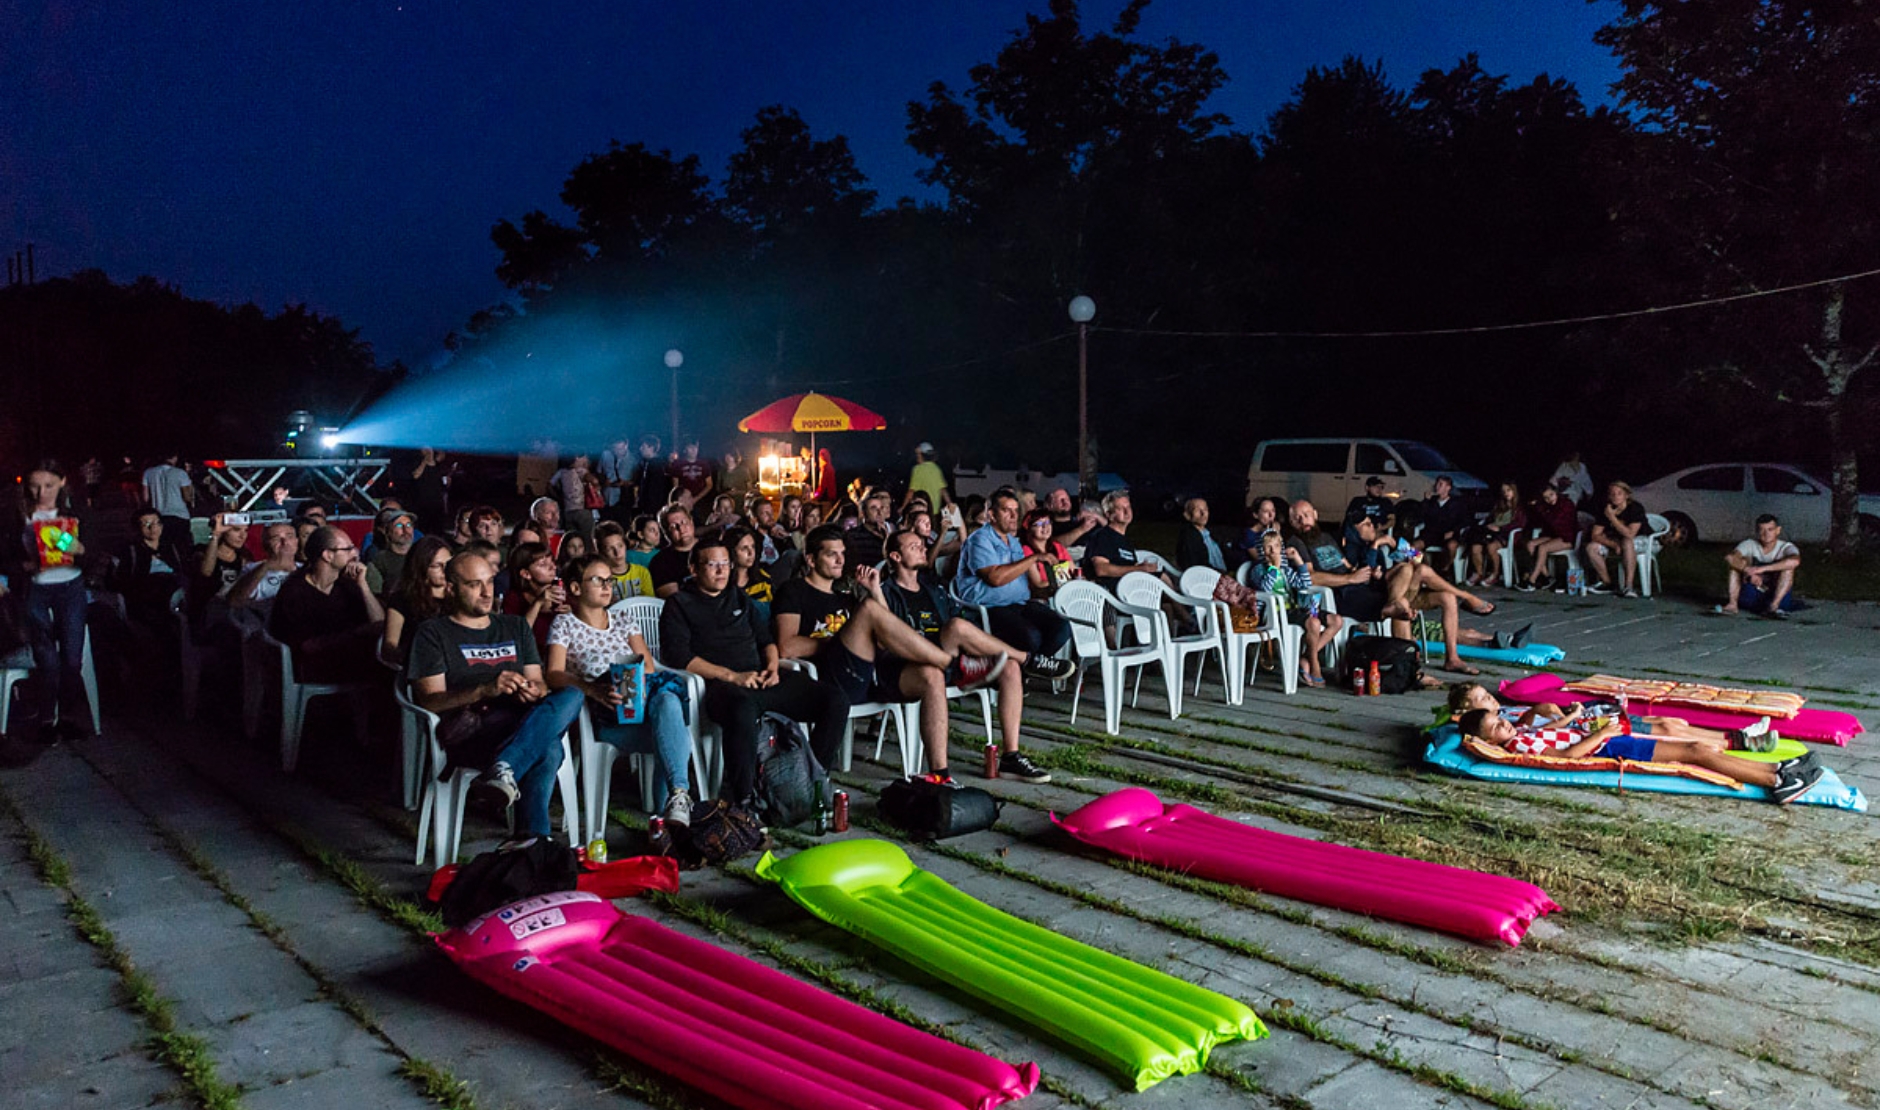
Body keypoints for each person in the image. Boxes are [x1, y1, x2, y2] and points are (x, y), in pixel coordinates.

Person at [776, 526, 1008, 783]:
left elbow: (884, 635)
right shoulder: (793, 591)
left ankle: (940, 775)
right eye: (832, 554)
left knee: (931, 675)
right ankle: (953, 664)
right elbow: (787, 647)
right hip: (826, 680)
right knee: (868, 610)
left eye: (842, 553)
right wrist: (839, 641)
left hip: (867, 675)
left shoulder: (844, 596)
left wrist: (875, 590)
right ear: (811, 559)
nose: (841, 560)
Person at [658, 538, 848, 805]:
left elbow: (766, 640)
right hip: (719, 686)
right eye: (712, 565)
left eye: (725, 564)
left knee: (834, 700)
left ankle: (811, 781)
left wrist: (772, 668)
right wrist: (732, 676)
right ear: (694, 569)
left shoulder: (738, 597)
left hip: (761, 677)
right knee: (742, 709)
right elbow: (680, 657)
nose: (721, 571)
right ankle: (745, 800)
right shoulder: (679, 604)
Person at [410, 553, 583, 839]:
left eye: (489, 582)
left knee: (573, 694)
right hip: (474, 730)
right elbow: (429, 700)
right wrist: (484, 689)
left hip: (521, 719)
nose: (486, 592)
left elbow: (539, 683)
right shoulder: (433, 633)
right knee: (549, 748)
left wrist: (532, 690)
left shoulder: (515, 626)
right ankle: (533, 842)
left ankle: (506, 768)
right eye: (474, 584)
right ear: (451, 588)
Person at [879, 530, 1052, 782]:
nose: (923, 549)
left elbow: (959, 622)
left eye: (922, 545)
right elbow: (888, 639)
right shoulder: (886, 593)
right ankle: (940, 775)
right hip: (910, 665)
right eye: (914, 546)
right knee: (953, 635)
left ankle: (1011, 757)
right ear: (896, 556)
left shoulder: (934, 588)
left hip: (949, 658)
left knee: (1009, 667)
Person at [546, 554, 696, 825]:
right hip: (606, 714)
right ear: (576, 588)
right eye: (598, 580)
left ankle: (677, 798)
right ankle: (670, 815)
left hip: (641, 704)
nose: (607, 586)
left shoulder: (623, 620)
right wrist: (592, 689)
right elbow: (554, 674)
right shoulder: (564, 624)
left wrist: (635, 683)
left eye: (609, 581)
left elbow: (647, 665)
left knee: (667, 701)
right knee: (675, 735)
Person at [1454, 706, 1820, 804]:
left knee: (1695, 745)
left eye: (1499, 719)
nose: (1504, 725)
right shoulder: (1517, 746)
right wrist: (1603, 734)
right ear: (1489, 741)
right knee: (1695, 752)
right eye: (1496, 728)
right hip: (1610, 746)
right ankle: (1776, 781)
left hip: (1604, 737)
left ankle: (1778, 768)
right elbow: (1566, 757)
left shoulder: (1519, 733)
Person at [11, 462, 93, 740]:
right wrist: (27, 565)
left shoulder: (75, 513)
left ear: (62, 483)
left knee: (72, 658)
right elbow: (7, 558)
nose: (41, 492)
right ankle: (47, 719)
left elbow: (94, 552)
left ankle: (67, 716)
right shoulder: (18, 516)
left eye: (48, 485)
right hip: (37, 589)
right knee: (46, 659)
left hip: (71, 587)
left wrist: (78, 548)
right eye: (35, 486)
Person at [1449, 682, 1780, 751]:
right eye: (1482, 701)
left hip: (1585, 723)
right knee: (1668, 729)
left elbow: (1541, 723)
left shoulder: (1509, 718)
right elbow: (1548, 740)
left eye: (1487, 696)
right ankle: (1742, 741)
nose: (1490, 701)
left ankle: (1741, 735)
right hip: (1590, 732)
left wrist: (1564, 715)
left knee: (1672, 723)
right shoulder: (1509, 734)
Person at [955, 490, 1079, 667]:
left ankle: (1029, 669)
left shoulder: (1012, 542)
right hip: (990, 607)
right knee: (1031, 637)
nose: (1014, 516)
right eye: (1007, 510)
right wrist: (1034, 558)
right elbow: (995, 578)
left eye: (1016, 510)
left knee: (1062, 627)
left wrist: (1053, 588)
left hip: (1019, 604)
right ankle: (1026, 669)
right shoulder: (980, 540)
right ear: (992, 515)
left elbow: (1023, 581)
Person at [268, 525, 385, 684]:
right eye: (348, 549)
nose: (355, 553)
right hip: (313, 667)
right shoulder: (295, 592)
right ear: (328, 555)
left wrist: (363, 586)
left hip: (347, 658)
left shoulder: (346, 584)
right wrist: (357, 633)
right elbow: (308, 646)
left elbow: (379, 623)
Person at [1252, 528, 1341, 687]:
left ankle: (1305, 658)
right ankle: (1315, 665)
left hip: (1295, 608)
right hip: (1276, 613)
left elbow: (1305, 585)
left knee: (1336, 621)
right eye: (1268, 547)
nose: (1273, 551)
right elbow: (1265, 589)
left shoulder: (1285, 570)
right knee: (1313, 623)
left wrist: (1299, 561)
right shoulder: (1258, 570)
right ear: (1261, 550)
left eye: (1276, 546)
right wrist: (1274, 568)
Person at [380, 536, 453, 668]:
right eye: (437, 566)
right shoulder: (403, 599)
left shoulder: (458, 597)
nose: (445, 570)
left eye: (448, 564)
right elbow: (389, 645)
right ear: (422, 567)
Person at [113, 507, 188, 634]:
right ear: (138, 528)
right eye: (146, 524)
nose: (153, 528)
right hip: (148, 595)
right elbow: (125, 580)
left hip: (174, 589)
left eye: (156, 523)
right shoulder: (132, 551)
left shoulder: (170, 547)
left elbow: (182, 570)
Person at [1079, 491, 1174, 588]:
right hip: (1109, 590)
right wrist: (1138, 569)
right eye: (1120, 508)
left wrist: (1142, 567)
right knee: (1161, 578)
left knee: (1161, 576)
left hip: (1130, 587)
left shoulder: (1126, 542)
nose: (1127, 512)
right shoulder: (1102, 537)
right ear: (1109, 515)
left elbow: (1130, 566)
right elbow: (1101, 569)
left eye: (1128, 507)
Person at [1722, 514, 1802, 617]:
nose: (1766, 534)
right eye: (1762, 530)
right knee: (1737, 565)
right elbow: (1730, 558)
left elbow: (1795, 561)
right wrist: (1748, 570)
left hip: (1776, 596)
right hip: (1751, 595)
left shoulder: (1786, 547)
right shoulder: (1749, 544)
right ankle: (1732, 605)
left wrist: (1760, 569)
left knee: (1788, 569)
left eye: (1770, 529)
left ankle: (1773, 607)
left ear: (1778, 530)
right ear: (1757, 531)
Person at [1582, 481, 1648, 597]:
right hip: (1616, 540)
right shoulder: (1606, 509)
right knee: (1591, 547)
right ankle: (1607, 583)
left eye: (1619, 493)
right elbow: (1595, 535)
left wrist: (1612, 518)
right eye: (1612, 494)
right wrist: (1614, 545)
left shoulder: (1635, 508)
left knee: (1627, 542)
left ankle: (1628, 586)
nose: (1615, 496)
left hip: (1641, 540)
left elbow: (1630, 534)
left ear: (1626, 495)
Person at [501, 541, 568, 650]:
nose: (553, 567)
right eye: (543, 564)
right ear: (526, 574)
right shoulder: (513, 599)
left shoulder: (563, 592)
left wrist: (573, 615)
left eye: (552, 561)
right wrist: (538, 603)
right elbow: (518, 636)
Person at [1517, 484, 1579, 592]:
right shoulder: (1545, 506)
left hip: (1567, 537)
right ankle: (1548, 577)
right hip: (1553, 535)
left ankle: (1532, 580)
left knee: (1543, 548)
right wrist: (1535, 508)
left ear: (1556, 493)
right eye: (1546, 497)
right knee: (1530, 544)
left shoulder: (1566, 504)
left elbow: (1556, 522)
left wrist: (1540, 508)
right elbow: (1539, 522)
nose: (1550, 499)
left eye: (1551, 495)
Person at [230, 523, 301, 616]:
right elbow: (235, 601)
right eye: (276, 538)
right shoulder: (251, 569)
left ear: (296, 541)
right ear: (266, 545)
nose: (285, 542)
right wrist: (265, 567)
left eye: (289, 536)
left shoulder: (306, 569)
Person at [1464, 482, 1526, 588]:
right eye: (1504, 491)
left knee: (1491, 547)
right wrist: (1488, 525)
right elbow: (1490, 519)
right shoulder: (1499, 506)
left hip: (1505, 535)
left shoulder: (1519, 508)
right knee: (1475, 547)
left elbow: (1520, 524)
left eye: (1508, 490)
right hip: (1491, 533)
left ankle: (1495, 573)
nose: (1506, 493)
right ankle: (1479, 573)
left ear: (1514, 491)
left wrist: (1501, 528)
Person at [141, 452, 195, 556]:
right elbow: (187, 497)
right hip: (180, 515)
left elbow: (145, 498)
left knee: (163, 548)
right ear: (175, 458)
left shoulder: (148, 472)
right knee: (182, 548)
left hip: (158, 516)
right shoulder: (180, 473)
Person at [1019, 508, 1079, 600]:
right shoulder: (1026, 550)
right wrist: (1063, 581)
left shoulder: (1057, 546)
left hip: (1065, 593)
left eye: (1047, 522)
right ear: (1029, 529)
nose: (1045, 526)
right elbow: (1038, 584)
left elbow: (1073, 570)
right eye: (1039, 524)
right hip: (1043, 597)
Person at [1416, 476, 1472, 565]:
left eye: (1440, 484)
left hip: (1448, 534)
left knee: (1452, 546)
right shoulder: (1432, 501)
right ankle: (1424, 566)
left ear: (1448, 487)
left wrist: (1453, 531)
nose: (1437, 486)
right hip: (1432, 534)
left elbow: (1465, 520)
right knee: (1412, 547)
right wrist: (1426, 501)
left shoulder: (1456, 504)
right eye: (1437, 484)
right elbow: (1422, 516)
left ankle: (1445, 568)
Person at [594, 521, 656, 602]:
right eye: (610, 549)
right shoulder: (601, 578)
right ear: (602, 552)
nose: (617, 552)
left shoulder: (642, 572)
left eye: (620, 546)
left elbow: (650, 603)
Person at [726, 526, 775, 624]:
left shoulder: (763, 578)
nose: (751, 553)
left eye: (752, 547)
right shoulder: (722, 581)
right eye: (744, 548)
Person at [363, 507, 417, 595]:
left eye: (408, 525)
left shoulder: (421, 555)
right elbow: (374, 595)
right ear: (387, 531)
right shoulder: (379, 561)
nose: (405, 529)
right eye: (399, 525)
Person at [1175, 497, 1235, 572]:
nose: (1203, 514)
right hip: (1207, 576)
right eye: (1197, 510)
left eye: (1205, 509)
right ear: (1187, 515)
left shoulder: (1210, 533)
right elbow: (1197, 565)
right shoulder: (1189, 537)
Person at [650, 504, 697, 598]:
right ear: (666, 533)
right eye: (673, 526)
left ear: (691, 522)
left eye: (684, 522)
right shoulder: (660, 562)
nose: (681, 529)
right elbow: (674, 599)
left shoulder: (712, 548)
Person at [843, 488, 894, 573]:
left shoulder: (892, 533)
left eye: (881, 508)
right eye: (873, 508)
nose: (879, 512)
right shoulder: (853, 536)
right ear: (863, 513)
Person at [549, 454, 594, 541]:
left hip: (568, 510)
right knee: (587, 538)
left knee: (571, 538)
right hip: (582, 509)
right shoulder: (580, 471)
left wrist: (558, 497)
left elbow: (549, 485)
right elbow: (594, 480)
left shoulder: (560, 472)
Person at [902, 442, 953, 513]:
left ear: (921, 455)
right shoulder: (936, 469)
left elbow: (911, 491)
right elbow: (943, 490)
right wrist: (950, 504)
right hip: (935, 510)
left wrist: (903, 507)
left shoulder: (917, 469)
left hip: (922, 509)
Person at [408, 448, 448, 534]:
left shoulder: (439, 466)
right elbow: (415, 475)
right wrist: (425, 460)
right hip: (423, 505)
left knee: (437, 530)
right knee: (423, 529)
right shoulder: (417, 463)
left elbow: (443, 484)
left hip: (437, 504)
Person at [630, 435, 672, 517]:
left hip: (653, 507)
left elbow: (656, 488)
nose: (640, 449)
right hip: (646, 505)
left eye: (643, 446)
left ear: (651, 448)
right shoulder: (646, 464)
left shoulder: (658, 465)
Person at [669, 438, 714, 510]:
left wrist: (696, 498)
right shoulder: (678, 464)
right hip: (683, 500)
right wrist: (683, 499)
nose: (694, 450)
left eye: (696, 447)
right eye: (690, 447)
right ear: (685, 449)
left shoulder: (704, 464)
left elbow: (709, 484)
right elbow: (675, 486)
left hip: (701, 500)